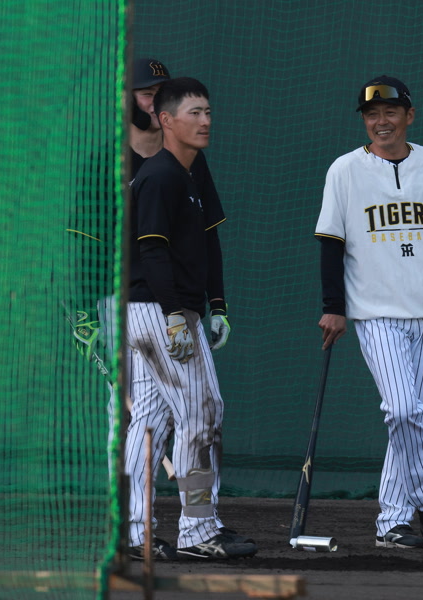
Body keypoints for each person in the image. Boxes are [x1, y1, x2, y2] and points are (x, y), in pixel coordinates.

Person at [315, 75, 423, 548]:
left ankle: (392, 522)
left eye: (390, 112)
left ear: (409, 115)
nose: (381, 121)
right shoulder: (345, 170)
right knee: (403, 409)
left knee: (409, 423)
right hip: (375, 312)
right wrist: (333, 307)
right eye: (372, 115)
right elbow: (330, 242)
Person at [126, 75, 253, 560]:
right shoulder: (160, 176)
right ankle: (198, 529)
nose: (205, 121)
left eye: (208, 112)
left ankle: (134, 530)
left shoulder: (187, 172)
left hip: (154, 312)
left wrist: (216, 306)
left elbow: (205, 244)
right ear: (165, 120)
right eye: (194, 113)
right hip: (162, 312)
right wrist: (176, 315)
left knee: (150, 422)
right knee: (203, 413)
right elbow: (152, 253)